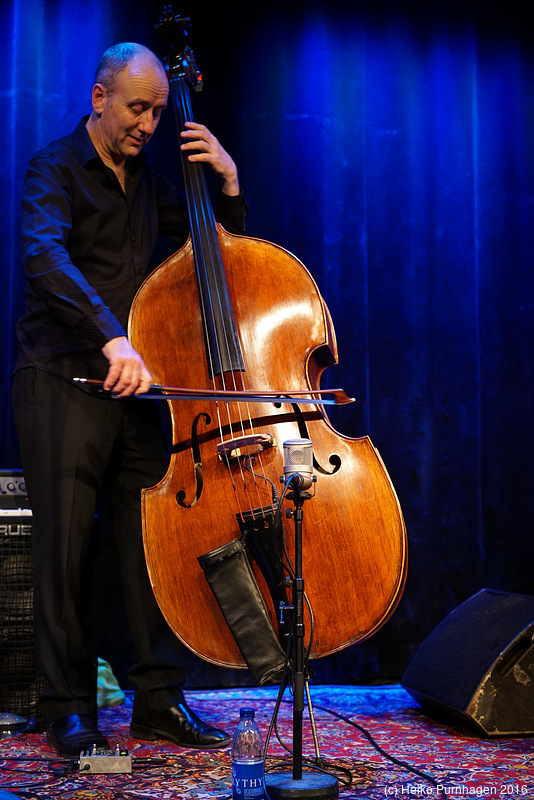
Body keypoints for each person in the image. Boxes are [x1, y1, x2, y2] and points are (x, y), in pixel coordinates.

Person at [12, 42, 247, 758]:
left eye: (157, 110)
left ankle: (157, 699)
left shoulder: (154, 184)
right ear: (99, 98)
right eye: (137, 107)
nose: (148, 123)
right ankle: (66, 707)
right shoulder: (52, 170)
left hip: (139, 387)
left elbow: (216, 259)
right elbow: (43, 256)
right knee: (65, 550)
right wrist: (112, 338)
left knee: (148, 549)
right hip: (63, 378)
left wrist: (229, 185)